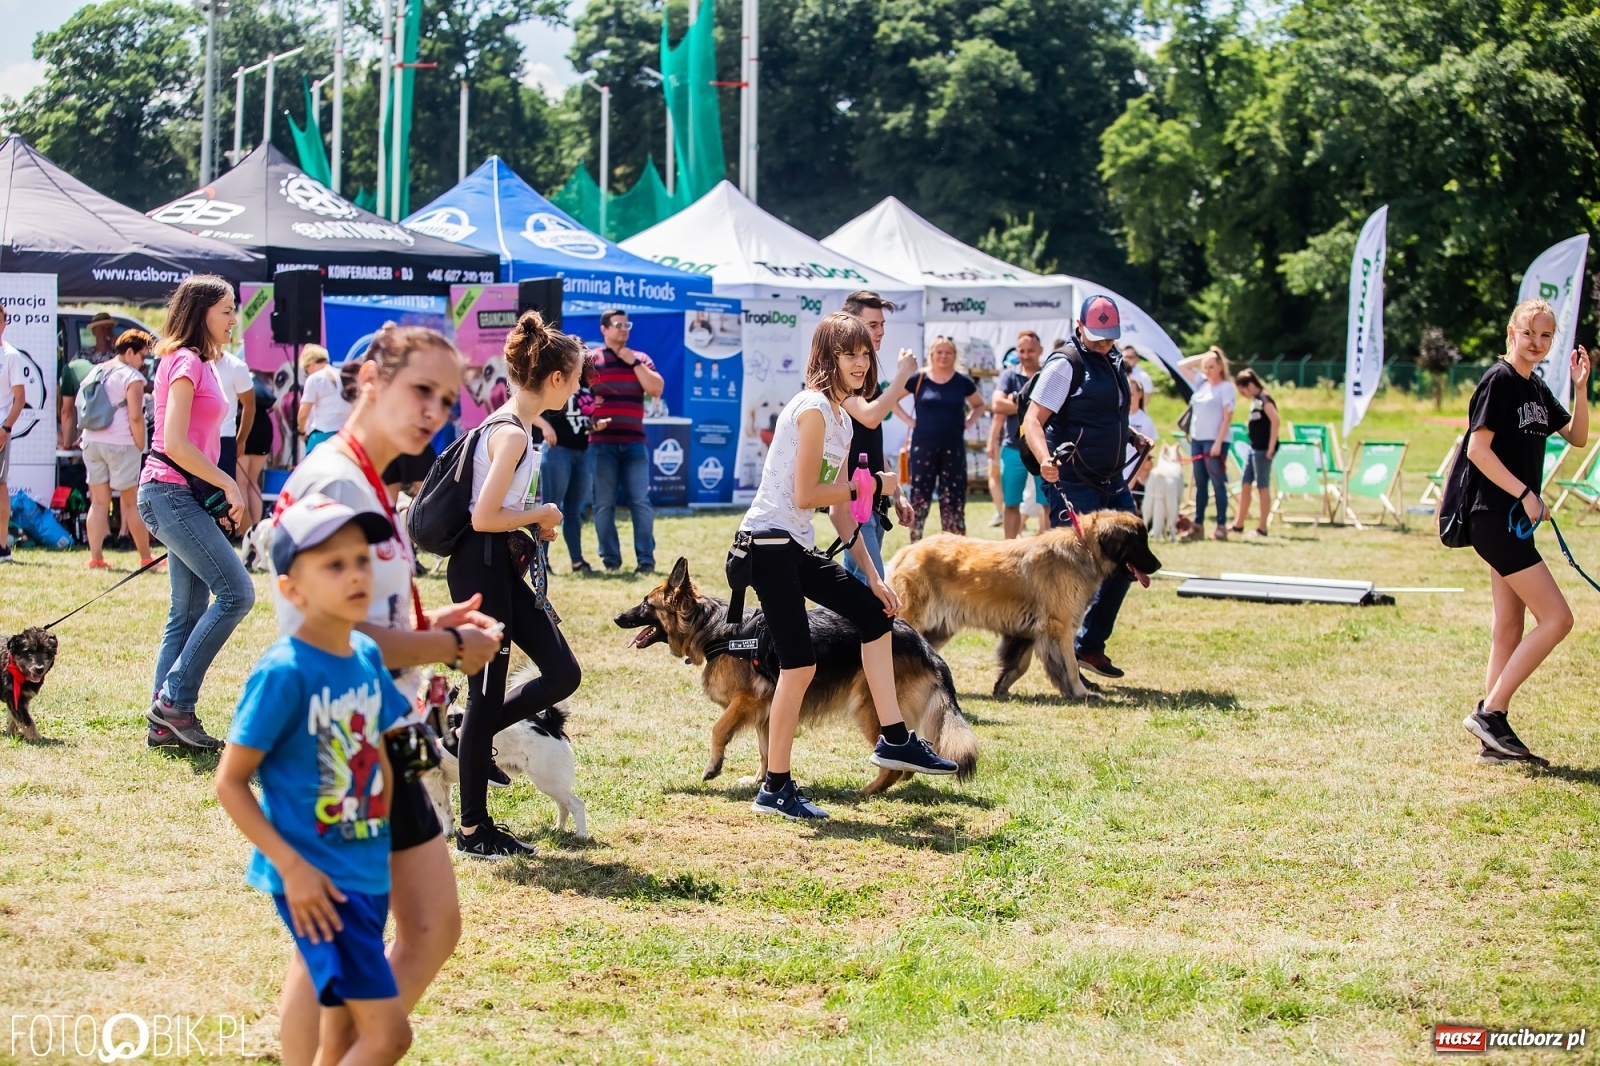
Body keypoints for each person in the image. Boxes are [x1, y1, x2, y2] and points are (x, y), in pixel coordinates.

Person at [269, 323, 500, 1066]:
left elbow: (366, 616)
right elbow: (330, 634)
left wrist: (433, 623)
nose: (435, 410)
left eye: (446, 397)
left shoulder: (368, 477)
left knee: (426, 928)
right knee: (339, 948)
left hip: (383, 735)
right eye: (420, 390)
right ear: (371, 379)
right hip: (339, 743)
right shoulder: (335, 480)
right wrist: (448, 648)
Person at [215, 496, 418, 1066]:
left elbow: (377, 749)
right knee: (388, 1036)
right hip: (319, 885)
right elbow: (230, 782)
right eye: (333, 564)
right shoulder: (285, 672)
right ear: (291, 589)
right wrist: (293, 867)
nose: (356, 574)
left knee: (341, 1033)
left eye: (361, 559)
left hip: (366, 871)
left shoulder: (364, 654)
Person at [742, 313, 958, 820]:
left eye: (866, 354)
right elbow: (806, 494)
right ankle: (775, 786)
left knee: (873, 612)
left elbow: (842, 514)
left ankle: (896, 739)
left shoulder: (841, 418)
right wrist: (873, 486)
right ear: (827, 357)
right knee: (799, 667)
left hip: (792, 546)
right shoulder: (814, 409)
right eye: (850, 354)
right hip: (766, 546)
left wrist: (876, 578)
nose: (861, 363)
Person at [447, 311, 584, 857]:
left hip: (495, 567)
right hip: (481, 569)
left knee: (562, 672)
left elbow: (496, 507)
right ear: (554, 379)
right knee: (485, 695)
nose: (577, 389)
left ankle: (467, 739)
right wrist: (542, 511)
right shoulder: (511, 435)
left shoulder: (513, 428)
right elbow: (483, 516)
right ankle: (474, 829)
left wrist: (531, 517)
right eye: (575, 379)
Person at [1460, 299, 1589, 763]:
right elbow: (1478, 450)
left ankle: (1491, 740)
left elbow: (1576, 437)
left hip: (1510, 521)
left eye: (1546, 336)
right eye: (1529, 333)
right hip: (1494, 516)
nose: (1537, 343)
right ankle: (1490, 712)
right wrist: (1525, 494)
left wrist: (1580, 388)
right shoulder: (1500, 380)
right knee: (1558, 619)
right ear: (1511, 332)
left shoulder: (1534, 386)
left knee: (1509, 627)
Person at [137, 275, 253, 751]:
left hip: (178, 494)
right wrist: (228, 482)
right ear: (201, 310)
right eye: (226, 309)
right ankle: (174, 702)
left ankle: (164, 723)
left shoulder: (199, 362)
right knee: (236, 593)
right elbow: (175, 442)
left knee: (187, 611)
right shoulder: (185, 361)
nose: (233, 318)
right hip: (169, 493)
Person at [1021, 294, 1136, 681]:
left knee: (1129, 562)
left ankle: (1090, 645)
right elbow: (1033, 420)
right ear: (1079, 327)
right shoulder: (1064, 365)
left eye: (1110, 336)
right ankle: (1065, 662)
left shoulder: (1113, 361)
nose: (1105, 342)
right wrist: (1045, 461)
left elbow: (1104, 414)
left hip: (1112, 481)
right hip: (1074, 482)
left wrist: (1130, 435)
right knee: (1073, 578)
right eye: (1098, 336)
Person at [839, 290, 915, 583]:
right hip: (852, 498)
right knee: (874, 588)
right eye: (873, 325)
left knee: (857, 589)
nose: (880, 331)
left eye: (882, 324)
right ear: (850, 324)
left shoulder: (866, 372)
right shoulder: (839, 372)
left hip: (874, 496)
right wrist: (903, 374)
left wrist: (896, 492)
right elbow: (870, 416)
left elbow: (873, 439)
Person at [589, 309, 664, 573]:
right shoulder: (592, 360)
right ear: (604, 329)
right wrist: (589, 420)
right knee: (603, 504)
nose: (624, 328)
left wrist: (632, 362)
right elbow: (577, 398)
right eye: (618, 324)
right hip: (600, 444)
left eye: (626, 324)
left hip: (634, 443)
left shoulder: (640, 358)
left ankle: (646, 561)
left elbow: (656, 388)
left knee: (640, 502)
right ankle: (611, 561)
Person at [82, 330, 156, 569]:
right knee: (130, 503)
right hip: (122, 444)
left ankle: (96, 557)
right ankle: (146, 558)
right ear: (130, 351)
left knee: (99, 502)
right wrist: (140, 445)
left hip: (92, 440)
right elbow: (135, 416)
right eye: (142, 356)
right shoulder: (131, 377)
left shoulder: (97, 369)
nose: (143, 362)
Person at [899, 336, 984, 540]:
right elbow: (891, 399)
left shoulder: (962, 381)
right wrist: (910, 421)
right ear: (932, 354)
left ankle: (954, 547)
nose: (943, 356)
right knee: (920, 498)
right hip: (923, 447)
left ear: (954, 356)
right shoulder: (919, 378)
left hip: (953, 449)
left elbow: (979, 405)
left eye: (948, 353)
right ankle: (916, 544)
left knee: (953, 500)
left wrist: (968, 421)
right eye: (939, 352)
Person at [533, 356, 599, 573]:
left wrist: (595, 425)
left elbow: (582, 417)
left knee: (574, 510)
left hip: (582, 451)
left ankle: (577, 562)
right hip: (557, 451)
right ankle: (541, 561)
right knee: (551, 508)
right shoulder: (553, 378)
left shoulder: (584, 384)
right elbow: (529, 407)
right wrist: (545, 426)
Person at [991, 330, 1053, 540]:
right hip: (1013, 448)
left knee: (1048, 503)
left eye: (1030, 350)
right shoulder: (1009, 375)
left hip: (1042, 448)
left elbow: (1056, 407)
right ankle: (1009, 549)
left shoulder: (1048, 374)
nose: (1026, 355)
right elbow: (996, 404)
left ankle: (1050, 549)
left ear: (1041, 351)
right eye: (1022, 350)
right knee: (1011, 504)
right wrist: (1033, 407)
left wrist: (1016, 402)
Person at [1175, 346, 1236, 540]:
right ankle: (1198, 524)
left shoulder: (1226, 388)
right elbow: (1181, 365)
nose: (1207, 370)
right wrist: (1206, 355)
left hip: (1215, 441)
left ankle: (1221, 526)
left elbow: (1228, 417)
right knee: (1200, 483)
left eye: (1211, 366)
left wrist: (1218, 443)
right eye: (1205, 367)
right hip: (1197, 440)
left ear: (1220, 367)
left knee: (1217, 483)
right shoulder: (1202, 384)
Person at [1230, 368, 1279, 537]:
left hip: (1263, 449)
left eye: (1242, 390)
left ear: (1250, 385)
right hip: (1254, 447)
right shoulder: (1255, 401)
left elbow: (1275, 421)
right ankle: (1239, 523)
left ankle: (1262, 527)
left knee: (1262, 487)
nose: (1243, 394)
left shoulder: (1264, 399)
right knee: (1245, 484)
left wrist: (1271, 447)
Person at [0, 304, 27, 564]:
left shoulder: (11, 355)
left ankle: (2, 547)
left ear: (5, 323)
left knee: (0, 486)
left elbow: (20, 398)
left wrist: (6, 428)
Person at [238, 372, 277, 530]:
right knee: (253, 482)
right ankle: (257, 527)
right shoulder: (258, 385)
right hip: (264, 429)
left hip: (245, 429)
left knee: (241, 482)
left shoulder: (237, 380)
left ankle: (245, 531)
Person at [297, 345, 352, 456]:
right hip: (345, 439)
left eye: (306, 370)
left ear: (310, 364)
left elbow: (303, 414)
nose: (307, 373)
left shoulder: (314, 379)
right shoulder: (345, 376)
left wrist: (301, 432)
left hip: (321, 437)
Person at [213, 347, 256, 484]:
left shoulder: (236, 366)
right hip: (194, 441)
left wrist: (241, 439)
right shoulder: (192, 363)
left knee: (223, 497)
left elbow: (249, 405)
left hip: (224, 439)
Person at [1125, 376, 1159, 491]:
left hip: (1132, 471)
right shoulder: (1119, 417)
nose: (1129, 397)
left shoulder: (1145, 421)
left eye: (1132, 394)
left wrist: (1133, 478)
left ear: (1140, 394)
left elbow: (1145, 453)